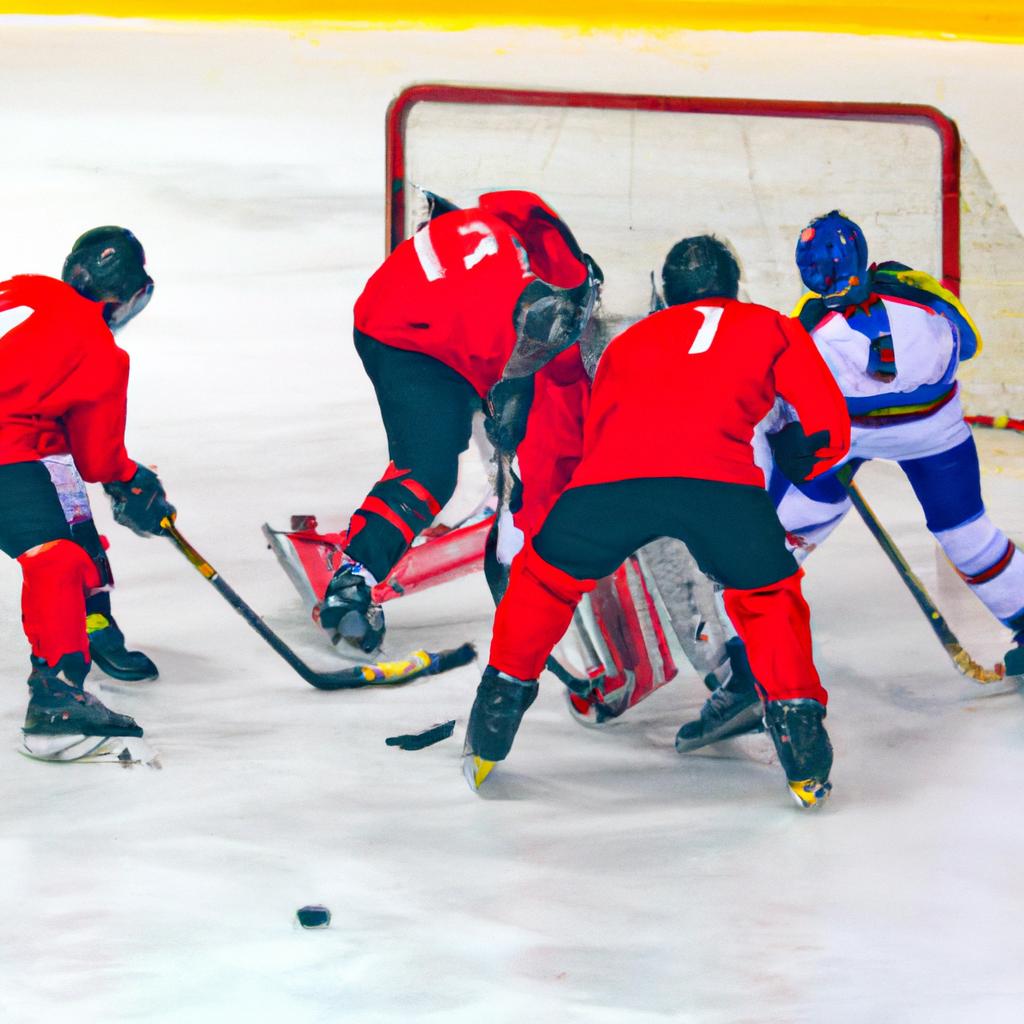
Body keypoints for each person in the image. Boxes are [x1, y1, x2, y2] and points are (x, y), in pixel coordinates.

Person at [461, 235, 851, 808]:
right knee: (768, 596)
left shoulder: (629, 340)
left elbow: (604, 433)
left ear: (666, 295)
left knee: (544, 579)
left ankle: (494, 716)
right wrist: (806, 454)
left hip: (612, 483)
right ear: (733, 284)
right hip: (720, 485)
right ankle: (801, 746)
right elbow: (829, 429)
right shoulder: (772, 326)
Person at [316, 190, 599, 655]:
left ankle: (361, 573)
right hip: (411, 342)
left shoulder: (526, 226)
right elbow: (532, 399)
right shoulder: (529, 322)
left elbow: (508, 201)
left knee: (457, 441)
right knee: (429, 470)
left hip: (395, 301)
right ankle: (352, 581)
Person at [0, 226, 176, 762]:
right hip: (9, 451)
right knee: (59, 559)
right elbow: (99, 461)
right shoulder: (101, 352)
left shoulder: (25, 292)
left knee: (60, 485)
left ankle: (93, 623)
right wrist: (135, 481)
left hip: (29, 447)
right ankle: (58, 696)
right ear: (125, 297)